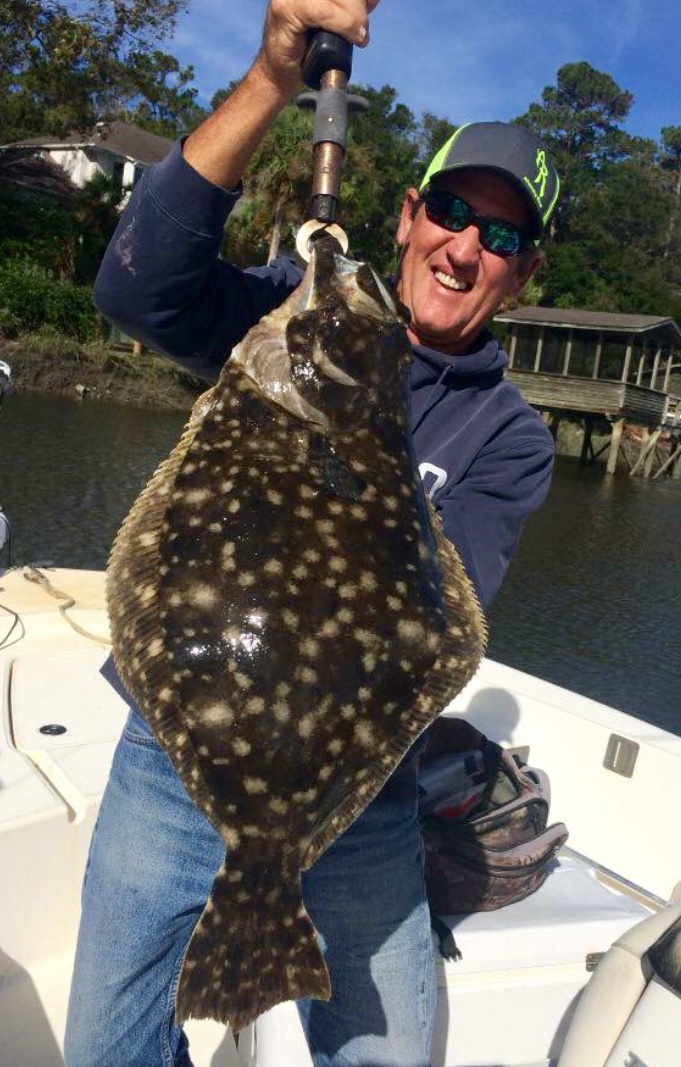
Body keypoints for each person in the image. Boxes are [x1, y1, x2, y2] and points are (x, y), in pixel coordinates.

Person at [64, 2, 561, 1065]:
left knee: (393, 1053)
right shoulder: (293, 312)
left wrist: (361, 448)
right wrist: (273, 76)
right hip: (172, 735)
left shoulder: (510, 438)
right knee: (106, 1045)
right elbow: (136, 287)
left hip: (359, 787)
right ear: (407, 215)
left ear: (525, 275)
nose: (467, 249)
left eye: (505, 237)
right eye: (453, 214)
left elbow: (436, 621)